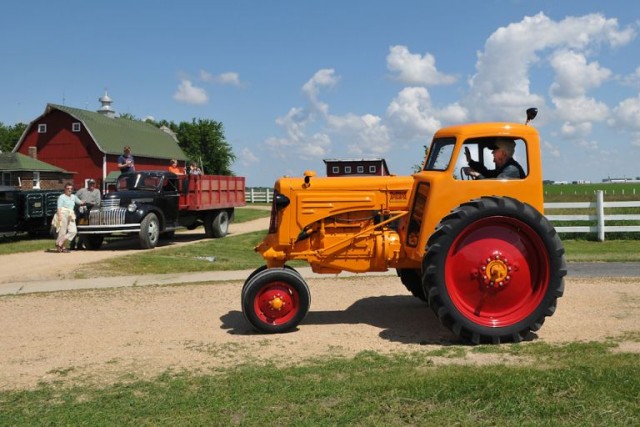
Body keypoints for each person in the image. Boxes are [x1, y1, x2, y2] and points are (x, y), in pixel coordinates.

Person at [53, 183, 85, 253]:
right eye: (68, 189)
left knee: (73, 231)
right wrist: (59, 216)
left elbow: (80, 202)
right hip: (63, 214)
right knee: (62, 231)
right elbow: (59, 207)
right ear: (65, 189)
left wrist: (85, 201)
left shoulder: (73, 197)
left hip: (71, 215)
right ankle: (61, 247)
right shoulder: (61, 197)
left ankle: (60, 241)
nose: (69, 190)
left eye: (71, 189)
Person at [71, 179, 102, 250]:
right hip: (80, 210)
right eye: (90, 184)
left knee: (83, 228)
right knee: (74, 227)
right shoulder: (82, 190)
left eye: (93, 184)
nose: (92, 185)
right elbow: (74, 197)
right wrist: (79, 202)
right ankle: (72, 244)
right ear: (88, 184)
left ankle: (79, 244)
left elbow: (98, 202)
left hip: (89, 211)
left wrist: (90, 203)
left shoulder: (97, 191)